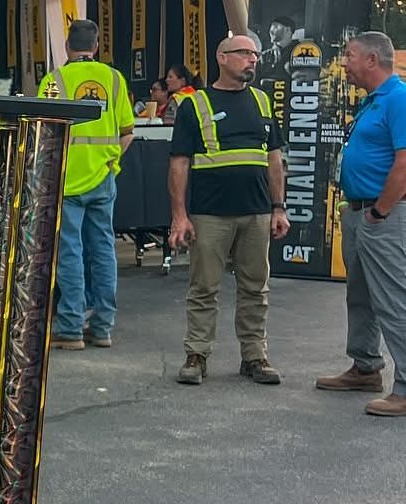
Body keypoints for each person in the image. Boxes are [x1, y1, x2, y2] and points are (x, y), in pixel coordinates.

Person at [167, 34, 288, 386]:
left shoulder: (263, 103)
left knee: (256, 288)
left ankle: (255, 356)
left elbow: (274, 160)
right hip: (211, 214)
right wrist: (180, 215)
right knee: (204, 287)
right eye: (244, 53)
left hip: (256, 212)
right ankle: (196, 355)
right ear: (221, 57)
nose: (252, 59)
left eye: (255, 54)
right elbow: (179, 163)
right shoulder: (195, 104)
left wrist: (278, 208)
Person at [315, 30, 406, 416]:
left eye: (349, 55)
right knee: (362, 296)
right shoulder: (371, 102)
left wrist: (380, 211)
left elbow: (404, 163)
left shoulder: (398, 98)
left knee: (393, 299)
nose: (344, 63)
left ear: (372, 59)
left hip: (383, 215)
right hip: (360, 212)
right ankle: (365, 366)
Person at [38, 19, 134, 350]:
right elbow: (127, 132)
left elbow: (44, 135)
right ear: (96, 47)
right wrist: (112, 163)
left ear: (67, 47)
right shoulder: (115, 79)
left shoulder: (55, 80)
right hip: (103, 179)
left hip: (66, 180)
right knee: (104, 251)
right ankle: (103, 327)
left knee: (70, 253)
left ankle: (70, 327)